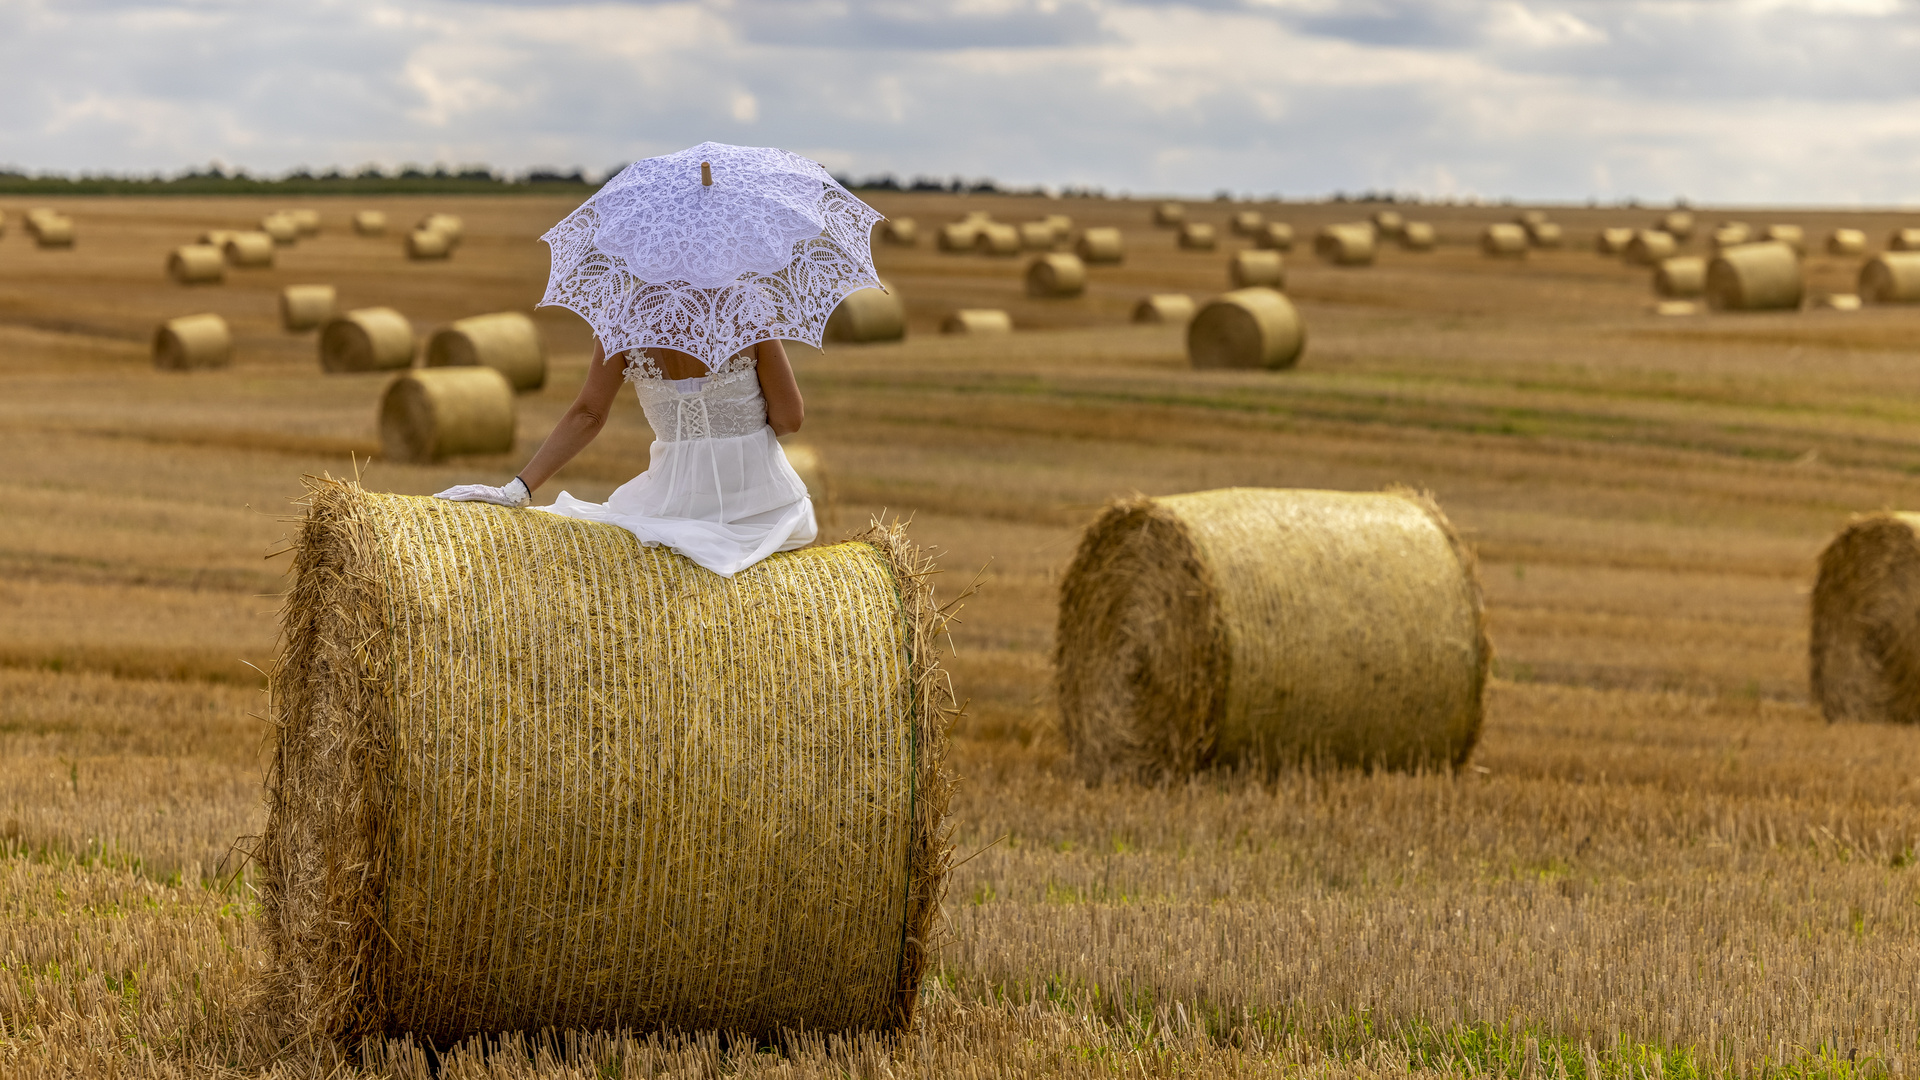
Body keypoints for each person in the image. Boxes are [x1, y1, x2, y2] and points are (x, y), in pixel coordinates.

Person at [434, 336, 816, 577]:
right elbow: (790, 418)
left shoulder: (625, 322)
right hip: (762, 504)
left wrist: (518, 489)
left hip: (671, 503)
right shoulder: (748, 311)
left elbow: (588, 415)